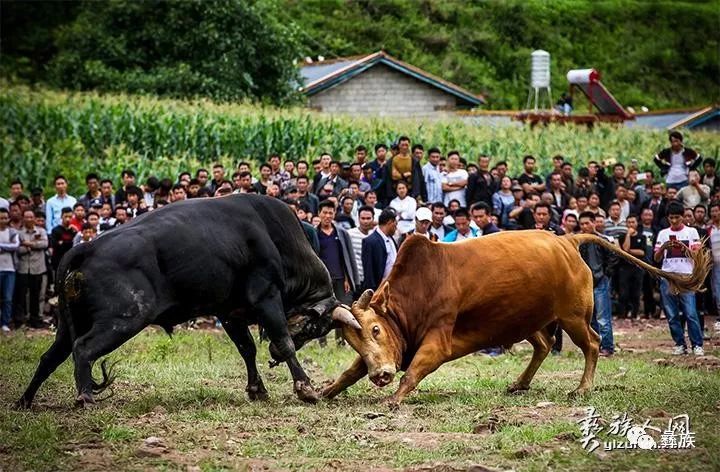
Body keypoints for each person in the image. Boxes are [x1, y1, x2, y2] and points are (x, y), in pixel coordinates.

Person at [654, 201, 704, 356]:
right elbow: (656, 258)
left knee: (690, 312)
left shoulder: (692, 232)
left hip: (686, 277)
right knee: (672, 313)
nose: (674, 221)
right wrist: (664, 248)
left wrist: (685, 249)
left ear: (683, 217)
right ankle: (679, 344)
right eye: (671, 218)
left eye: (677, 217)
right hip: (667, 277)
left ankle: (697, 344)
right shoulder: (663, 234)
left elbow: (697, 256)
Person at [578, 211, 617, 356]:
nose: (584, 226)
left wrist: (606, 274)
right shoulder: (579, 241)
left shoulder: (602, 239)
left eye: (587, 223)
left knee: (603, 317)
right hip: (584, 283)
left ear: (594, 223)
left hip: (601, 281)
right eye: (581, 224)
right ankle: (595, 345)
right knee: (589, 316)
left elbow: (613, 257)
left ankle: (607, 347)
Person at [361, 208, 398, 291]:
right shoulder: (370, 241)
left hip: (393, 287)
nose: (396, 228)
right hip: (379, 288)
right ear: (390, 223)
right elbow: (369, 270)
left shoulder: (392, 240)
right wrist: (372, 292)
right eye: (395, 224)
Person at [618, 214, 645, 318]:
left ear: (637, 223)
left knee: (636, 292)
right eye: (629, 222)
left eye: (633, 222)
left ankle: (634, 314)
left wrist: (629, 251)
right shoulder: (622, 237)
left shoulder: (641, 237)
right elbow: (624, 249)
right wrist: (628, 235)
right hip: (624, 268)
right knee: (623, 292)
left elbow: (642, 252)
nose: (631, 225)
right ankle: (623, 314)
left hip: (637, 267)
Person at [347, 206, 375, 292]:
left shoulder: (375, 235)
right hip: (355, 279)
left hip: (371, 280)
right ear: (358, 219)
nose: (365, 221)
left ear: (373, 219)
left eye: (368, 218)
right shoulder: (350, 234)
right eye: (363, 218)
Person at [0, 208, 20, 332]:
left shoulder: (12, 232)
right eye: (1, 218)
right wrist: (8, 246)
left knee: (8, 298)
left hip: (10, 269)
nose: (3, 220)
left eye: (5, 218)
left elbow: (15, 246)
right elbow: (11, 246)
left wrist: (1, 246)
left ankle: (5, 323)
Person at [49, 207, 77, 275]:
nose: (68, 219)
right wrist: (68, 243)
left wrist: (63, 243)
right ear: (61, 216)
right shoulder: (55, 230)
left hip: (71, 261)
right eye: (66, 216)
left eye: (70, 217)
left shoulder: (73, 230)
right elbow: (55, 246)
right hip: (58, 261)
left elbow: (76, 244)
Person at [707, 202, 720, 333]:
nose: (714, 214)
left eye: (716, 211)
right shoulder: (709, 229)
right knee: (717, 292)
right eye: (712, 212)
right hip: (715, 265)